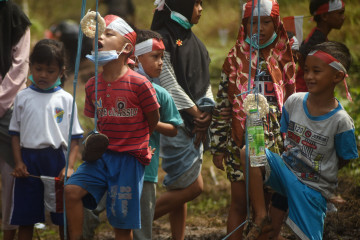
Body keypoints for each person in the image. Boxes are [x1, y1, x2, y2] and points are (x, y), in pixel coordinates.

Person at [242, 41, 358, 240]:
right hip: (286, 172)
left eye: (316, 71)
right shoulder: (294, 102)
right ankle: (261, 216)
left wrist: (321, 171)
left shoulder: (341, 121)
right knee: (249, 149)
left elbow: (345, 158)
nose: (309, 76)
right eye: (306, 70)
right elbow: (285, 136)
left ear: (337, 76)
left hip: (313, 189)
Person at [64, 15, 160, 240]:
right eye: (99, 34)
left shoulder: (140, 84)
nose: (100, 38)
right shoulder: (91, 85)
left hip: (128, 160)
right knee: (71, 191)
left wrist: (140, 143)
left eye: (108, 34)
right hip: (100, 158)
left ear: (127, 48)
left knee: (121, 223)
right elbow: (95, 120)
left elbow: (153, 119)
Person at [210, 0, 296, 239]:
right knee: (238, 203)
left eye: (266, 22)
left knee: (268, 205)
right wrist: (217, 146)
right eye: (253, 23)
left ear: (276, 23)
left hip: (275, 143)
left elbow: (294, 98)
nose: (259, 28)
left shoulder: (285, 56)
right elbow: (222, 105)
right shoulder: (234, 57)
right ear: (244, 25)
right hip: (240, 141)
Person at [150, 0, 214, 239]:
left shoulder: (194, 41)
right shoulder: (163, 39)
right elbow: (168, 84)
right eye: (196, 3)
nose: (200, 8)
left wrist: (206, 112)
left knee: (179, 186)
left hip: (195, 120)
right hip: (174, 122)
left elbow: (205, 81)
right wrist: (197, 114)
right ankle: (136, 222)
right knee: (193, 187)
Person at [8, 39, 83, 240]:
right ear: (30, 66)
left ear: (61, 71)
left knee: (62, 217)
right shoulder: (22, 97)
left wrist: (70, 166)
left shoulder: (66, 99)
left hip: (56, 160)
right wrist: (19, 162)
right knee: (26, 217)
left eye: (50, 71)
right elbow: (14, 134)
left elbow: (75, 138)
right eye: (38, 68)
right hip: (28, 161)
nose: (43, 75)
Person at [132, 29, 183, 240]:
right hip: (116, 164)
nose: (161, 62)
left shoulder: (161, 93)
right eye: (155, 57)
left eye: (162, 57)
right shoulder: (121, 87)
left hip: (147, 169)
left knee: (143, 227)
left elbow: (174, 128)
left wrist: (153, 124)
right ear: (136, 57)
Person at [0, 1, 31, 239]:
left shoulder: (15, 18)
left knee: (11, 174)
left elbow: (20, 67)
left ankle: (9, 229)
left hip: (7, 105)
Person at [295, 0, 345, 92]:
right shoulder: (317, 39)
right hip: (306, 92)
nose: (343, 17)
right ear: (325, 16)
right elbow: (300, 55)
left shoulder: (318, 36)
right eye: (340, 13)